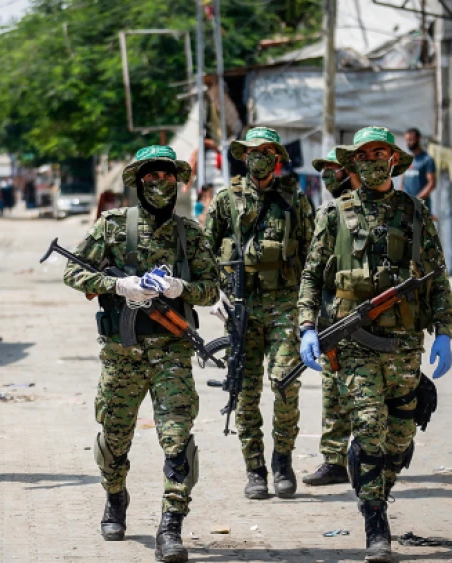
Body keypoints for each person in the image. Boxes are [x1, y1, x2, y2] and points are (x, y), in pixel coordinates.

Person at [298, 127, 452, 562]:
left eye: (378, 154)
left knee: (401, 436)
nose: (369, 161)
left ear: (392, 161)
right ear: (353, 164)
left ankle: (375, 483)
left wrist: (443, 330)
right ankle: (375, 522)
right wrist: (307, 326)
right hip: (354, 345)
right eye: (362, 155)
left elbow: (437, 277)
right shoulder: (333, 214)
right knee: (369, 427)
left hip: (404, 344)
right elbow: (312, 276)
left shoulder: (415, 212)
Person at [63, 145, 218, 563]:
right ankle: (115, 498)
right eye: (151, 176)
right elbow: (73, 271)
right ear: (137, 181)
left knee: (177, 441)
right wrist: (119, 286)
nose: (160, 183)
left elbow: (212, 288)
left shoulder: (190, 232)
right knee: (114, 439)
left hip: (172, 354)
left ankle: (170, 526)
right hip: (122, 355)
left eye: (167, 176)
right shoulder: (112, 226)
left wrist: (181, 289)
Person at [203, 127, 315, 500]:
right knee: (245, 392)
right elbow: (203, 251)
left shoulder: (294, 199)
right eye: (253, 151)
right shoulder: (225, 200)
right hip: (241, 305)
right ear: (244, 156)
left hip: (285, 301)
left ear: (278, 157)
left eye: (267, 150)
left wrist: (313, 309)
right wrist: (213, 294)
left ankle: (282, 460)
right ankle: (255, 469)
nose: (260, 156)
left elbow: (315, 254)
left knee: (285, 383)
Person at [303, 148, 360, 487]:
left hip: (369, 312)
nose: (327, 177)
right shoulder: (328, 211)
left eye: (333, 170)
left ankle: (377, 456)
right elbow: (316, 267)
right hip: (334, 312)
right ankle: (334, 459)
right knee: (333, 388)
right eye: (323, 171)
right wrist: (309, 322)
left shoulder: (370, 207)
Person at [400, 128, 436, 210]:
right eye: (407, 140)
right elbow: (403, 183)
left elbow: (432, 184)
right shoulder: (406, 160)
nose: (408, 143)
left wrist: (416, 200)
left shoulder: (427, 159)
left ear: (418, 139)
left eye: (410, 139)